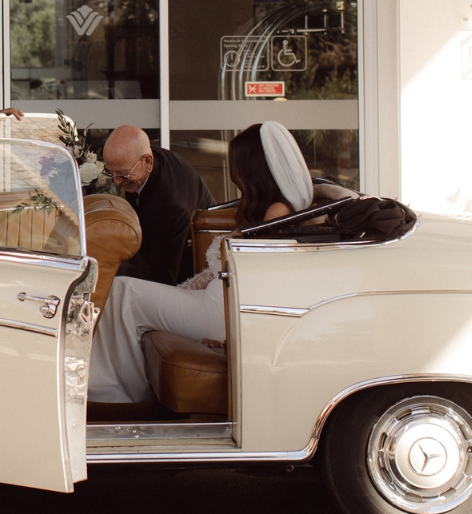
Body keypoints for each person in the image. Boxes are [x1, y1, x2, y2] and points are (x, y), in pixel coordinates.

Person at [87, 122, 314, 404]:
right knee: (123, 290)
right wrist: (183, 291)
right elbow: (219, 271)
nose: (235, 173)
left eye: (238, 164)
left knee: (123, 292)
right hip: (216, 299)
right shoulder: (265, 207)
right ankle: (116, 389)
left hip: (222, 311)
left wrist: (231, 335)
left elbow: (262, 281)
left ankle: (123, 394)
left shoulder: (276, 212)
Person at [101, 125, 215, 285]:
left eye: (123, 174)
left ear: (148, 161)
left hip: (187, 269)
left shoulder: (171, 204)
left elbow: (162, 277)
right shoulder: (142, 158)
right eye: (110, 172)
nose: (116, 182)